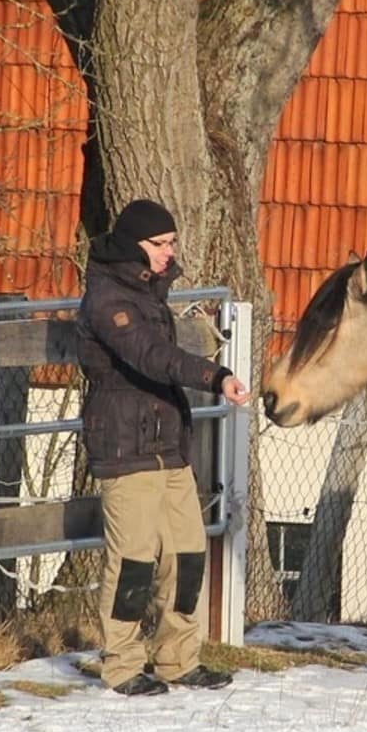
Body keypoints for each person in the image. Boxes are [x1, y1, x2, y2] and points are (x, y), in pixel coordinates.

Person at [77, 197, 251, 696]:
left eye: (172, 243)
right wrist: (214, 375)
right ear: (135, 244)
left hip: (168, 445)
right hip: (125, 448)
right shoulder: (108, 300)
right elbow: (150, 358)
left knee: (187, 554)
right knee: (133, 560)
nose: (169, 253)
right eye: (161, 244)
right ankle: (123, 665)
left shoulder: (148, 292)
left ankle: (178, 660)